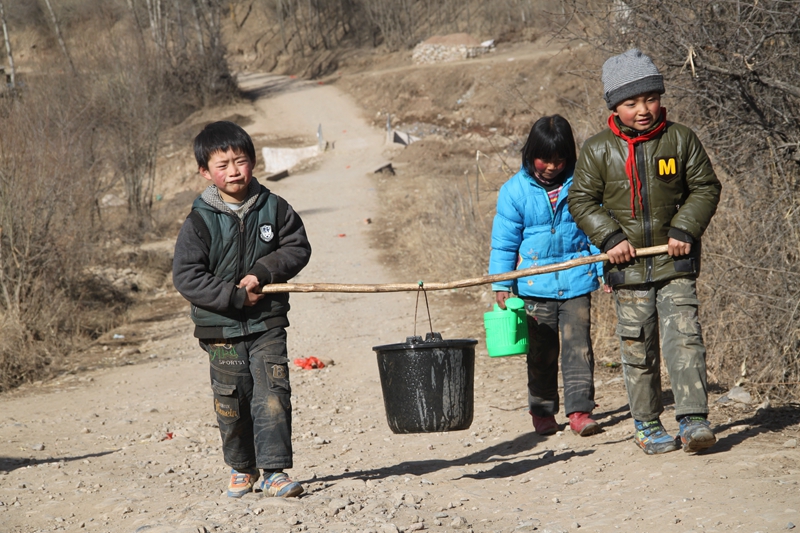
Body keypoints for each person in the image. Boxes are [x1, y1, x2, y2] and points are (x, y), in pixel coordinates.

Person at [568, 49, 722, 455]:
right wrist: (610, 238)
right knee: (638, 347)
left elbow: (706, 188)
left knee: (685, 339)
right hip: (628, 270)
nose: (643, 110)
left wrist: (685, 227)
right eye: (631, 102)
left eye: (650, 99)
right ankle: (647, 423)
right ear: (614, 106)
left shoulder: (681, 139)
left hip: (676, 263)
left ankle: (693, 420)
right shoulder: (597, 150)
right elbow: (581, 201)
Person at [172, 121, 312, 497]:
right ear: (205, 171)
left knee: (273, 393)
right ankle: (241, 467)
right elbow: (187, 277)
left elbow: (297, 248)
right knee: (232, 400)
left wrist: (262, 273)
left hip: (267, 322)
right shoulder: (200, 220)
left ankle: (274, 472)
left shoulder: (274, 207)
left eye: (241, 161)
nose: (234, 171)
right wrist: (233, 297)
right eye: (223, 164)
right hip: (220, 330)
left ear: (253, 162)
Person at [489, 115, 603, 437]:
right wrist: (501, 283)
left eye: (559, 159)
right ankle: (542, 412)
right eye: (545, 159)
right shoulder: (513, 191)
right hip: (533, 286)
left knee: (577, 348)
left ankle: (580, 412)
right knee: (541, 353)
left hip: (576, 280)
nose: (552, 166)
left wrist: (602, 268)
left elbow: (596, 229)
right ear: (530, 153)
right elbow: (504, 243)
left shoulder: (583, 182)